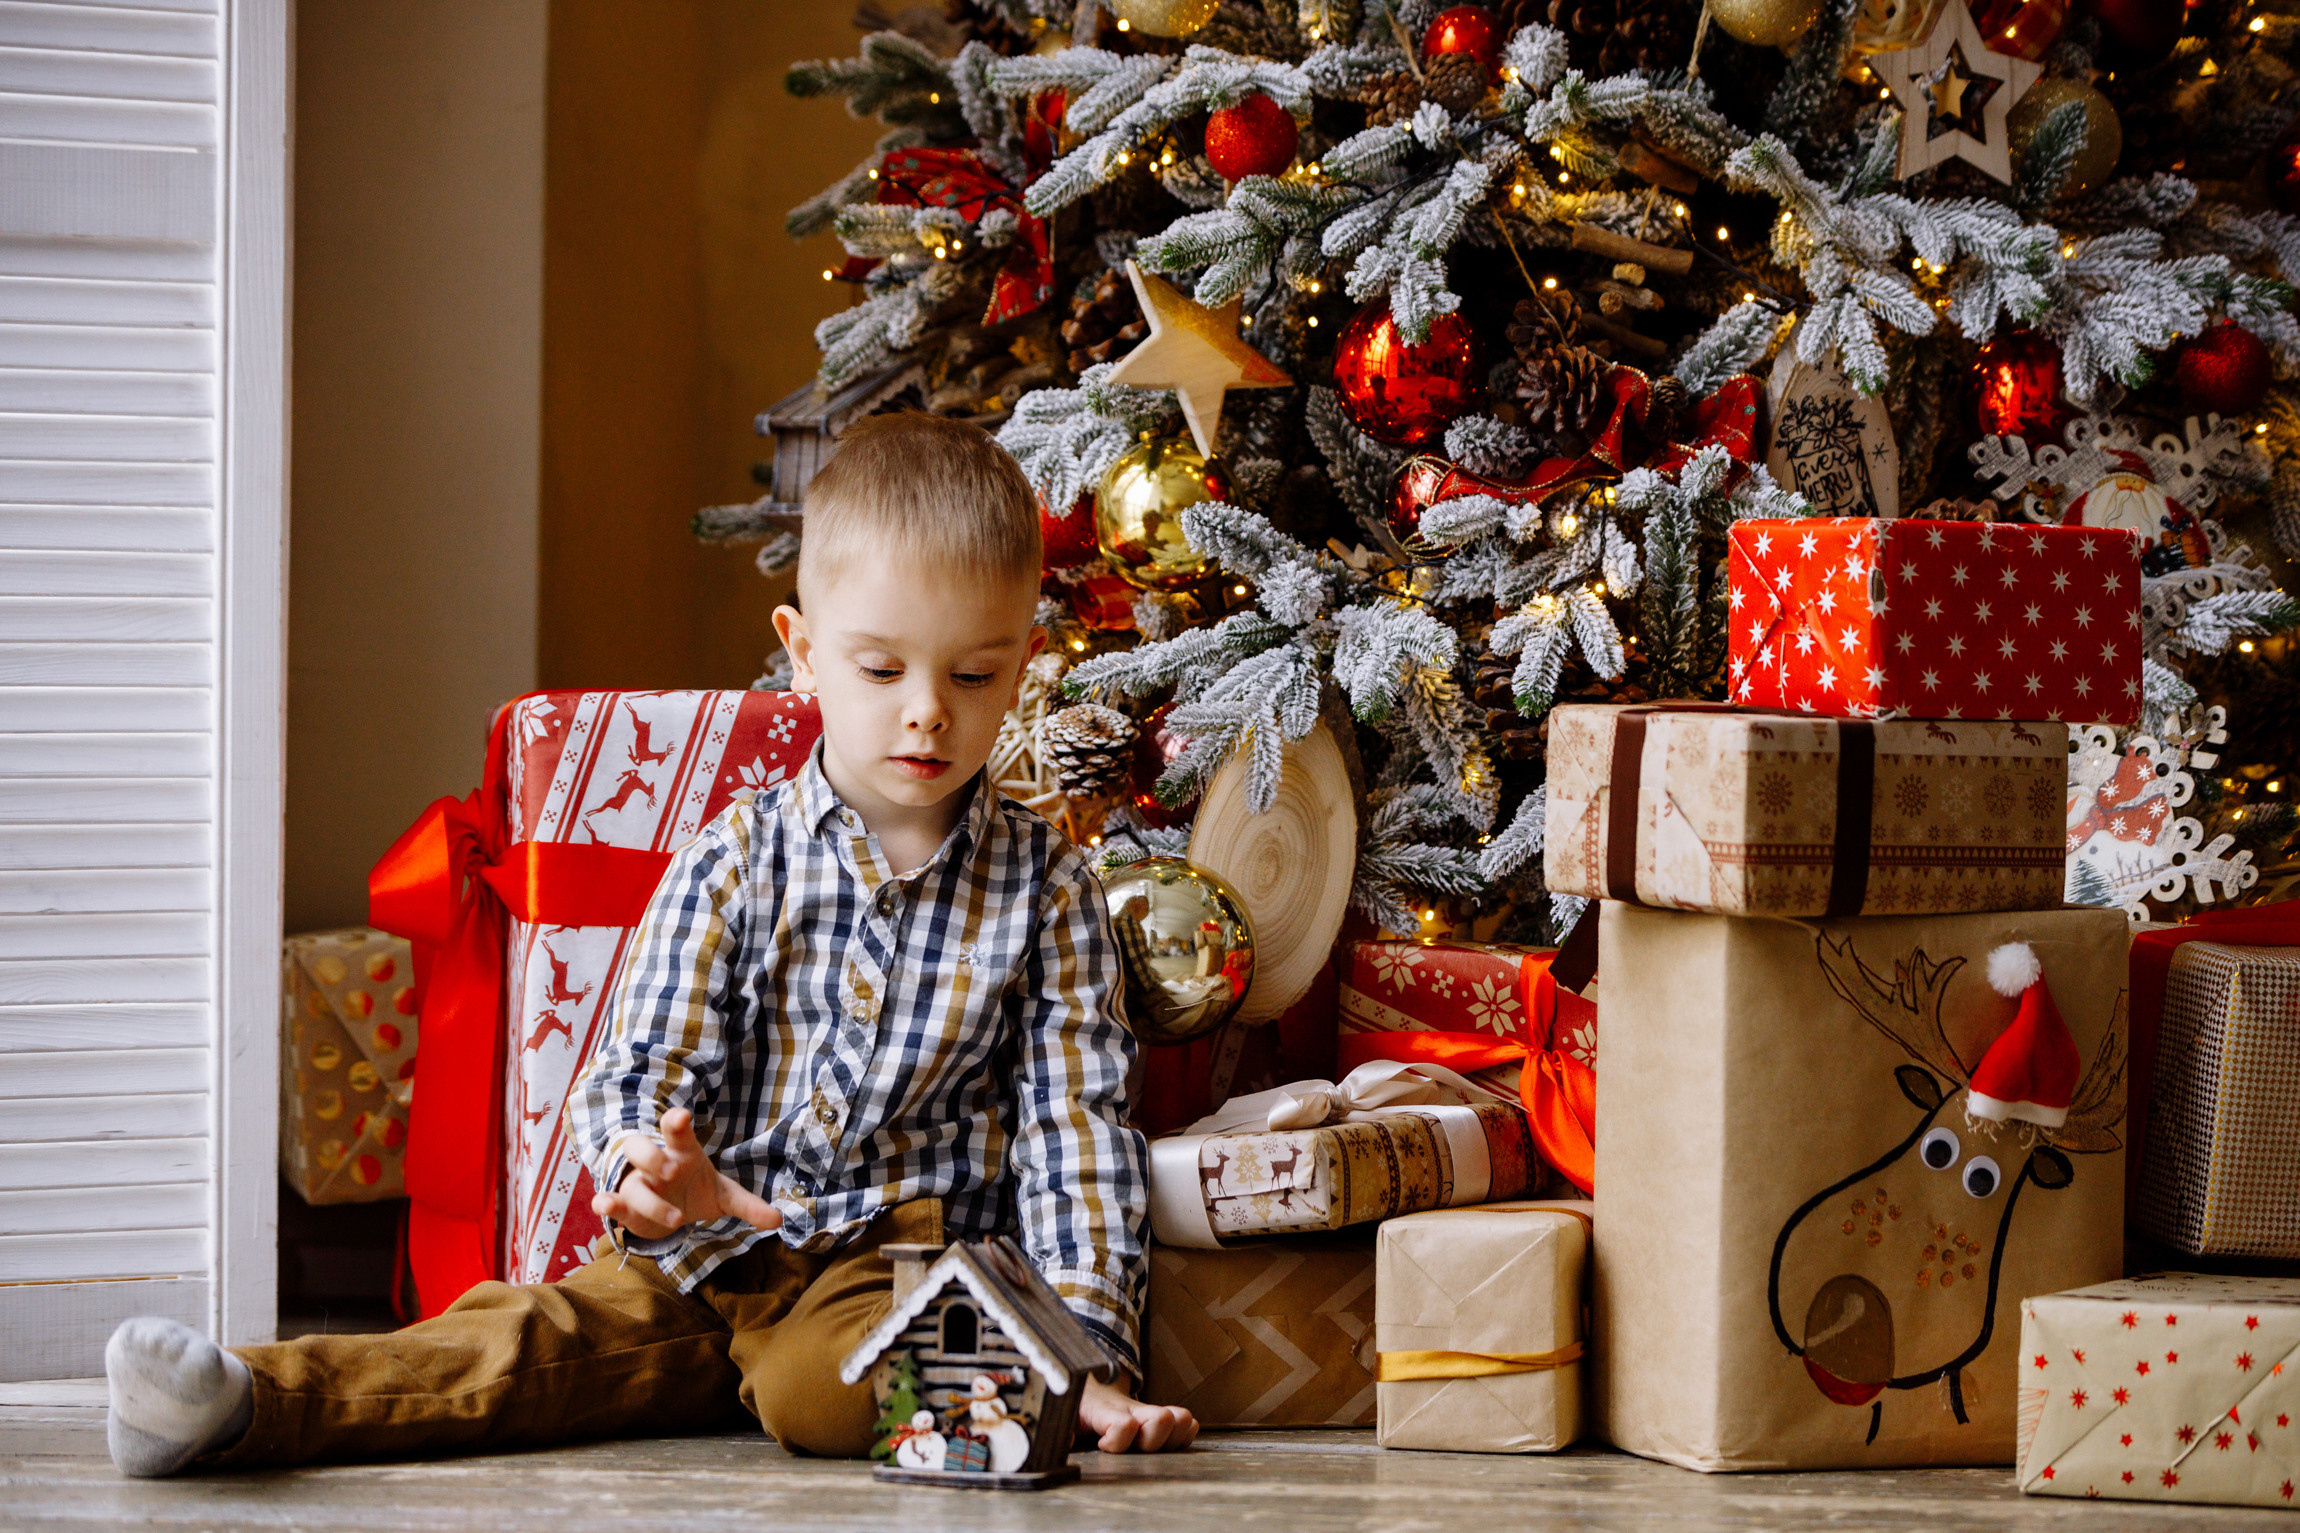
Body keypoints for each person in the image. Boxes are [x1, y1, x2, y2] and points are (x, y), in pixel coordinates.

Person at [103, 412, 1198, 1476]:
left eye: (971, 676)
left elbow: (1074, 1132)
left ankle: (1019, 1390)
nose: (926, 714)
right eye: (879, 671)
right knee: (519, 1342)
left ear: (1023, 664)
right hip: (701, 1256)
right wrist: (645, 1165)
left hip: (883, 1272)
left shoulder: (1045, 886)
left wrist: (1083, 1342)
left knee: (815, 1386)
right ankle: (243, 1403)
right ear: (803, 653)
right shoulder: (736, 855)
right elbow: (638, 1063)